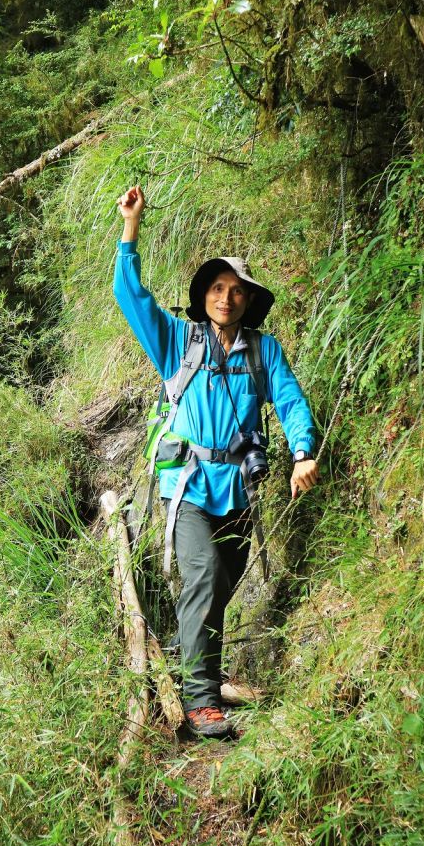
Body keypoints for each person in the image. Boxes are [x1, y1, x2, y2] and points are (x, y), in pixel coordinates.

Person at [113, 185, 319, 738]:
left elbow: (292, 402)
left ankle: (188, 659)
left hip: (240, 491)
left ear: (248, 302)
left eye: (236, 292)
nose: (226, 298)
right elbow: (131, 297)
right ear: (204, 294)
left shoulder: (263, 351)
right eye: (218, 288)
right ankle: (201, 704)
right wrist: (131, 228)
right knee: (203, 574)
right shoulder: (178, 341)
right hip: (187, 486)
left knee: (220, 587)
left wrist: (302, 451)